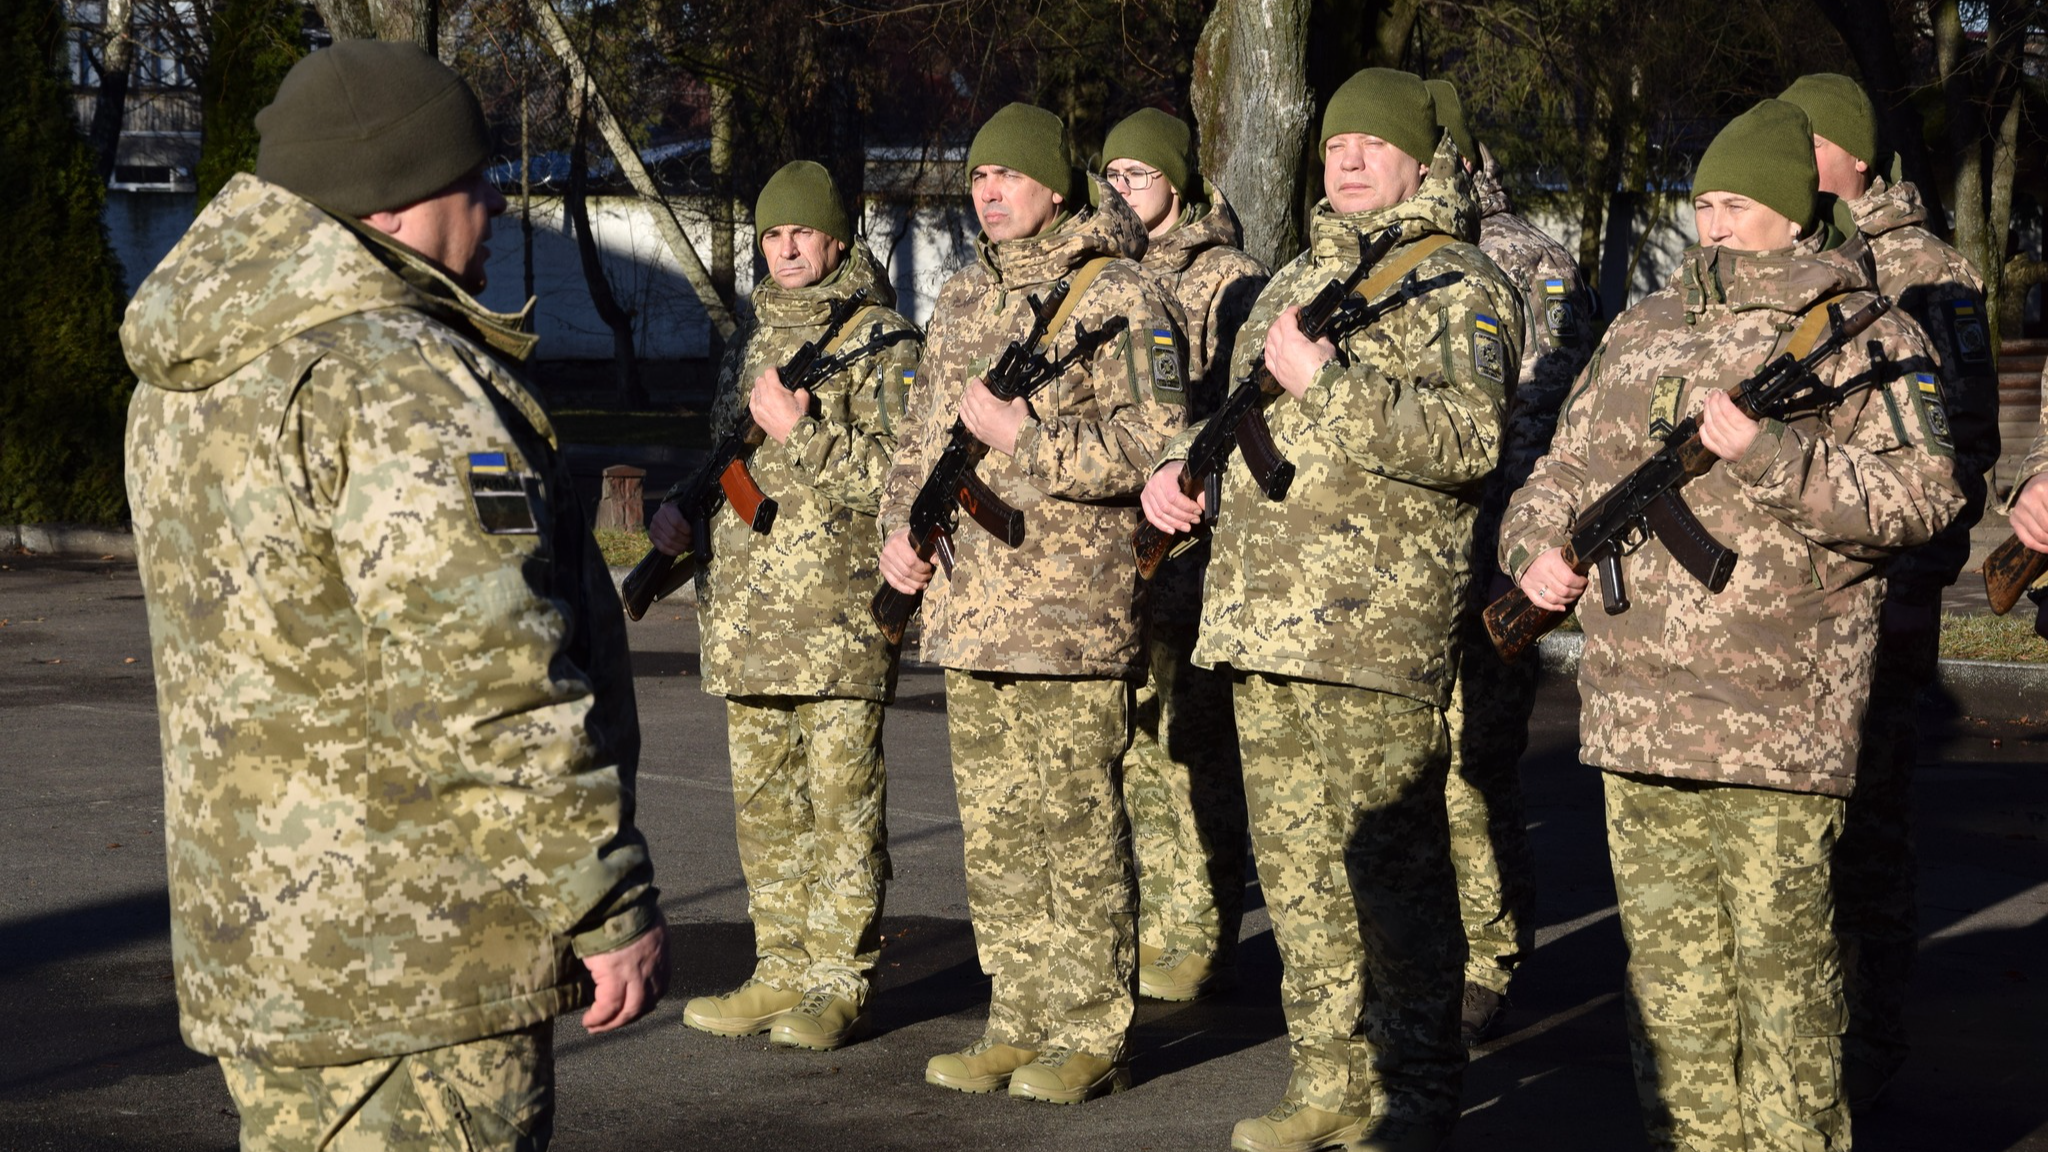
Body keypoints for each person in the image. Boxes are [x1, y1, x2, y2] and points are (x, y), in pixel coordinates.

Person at [120, 40, 667, 1151]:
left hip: (271, 944)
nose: (494, 210)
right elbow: (488, 670)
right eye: (475, 184)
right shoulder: (396, 378)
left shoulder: (198, 368)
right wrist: (601, 898)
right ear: (401, 201)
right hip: (417, 956)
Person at [1500, 99, 1964, 1152]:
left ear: (1792, 214)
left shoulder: (1864, 332)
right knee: (1668, 982)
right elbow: (1565, 465)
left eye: (1737, 204)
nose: (1711, 225)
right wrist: (1530, 547)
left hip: (1776, 714)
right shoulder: (1641, 324)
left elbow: (1926, 497)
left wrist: (1769, 456)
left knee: (1781, 974)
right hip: (1637, 707)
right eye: (1702, 202)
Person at [1142, 68, 1523, 1152]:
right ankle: (1326, 1085)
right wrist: (1179, 468)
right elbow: (1225, 415)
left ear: (1418, 158)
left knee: (1394, 886)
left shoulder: (1462, 284)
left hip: (1371, 628)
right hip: (1261, 624)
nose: (1346, 160)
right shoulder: (1293, 281)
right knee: (1303, 885)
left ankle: (1410, 1097)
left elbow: (1468, 443)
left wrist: (1329, 385)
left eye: (1370, 144)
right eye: (1333, 146)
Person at [878, 102, 1186, 1105]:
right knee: (998, 831)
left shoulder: (1123, 293)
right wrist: (898, 528)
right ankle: (1016, 1016)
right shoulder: (966, 293)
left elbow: (1157, 443)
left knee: (1075, 824)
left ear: (1056, 185)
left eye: (1007, 176)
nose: (988, 191)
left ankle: (1090, 1028)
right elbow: (921, 435)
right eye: (976, 178)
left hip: (1068, 610)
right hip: (970, 606)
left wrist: (1027, 441)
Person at [651, 162, 921, 1051]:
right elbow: (729, 461)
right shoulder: (750, 332)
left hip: (837, 618)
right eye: (772, 235)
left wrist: (801, 430)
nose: (787, 247)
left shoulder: (883, 339)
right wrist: (682, 512)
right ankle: (779, 967)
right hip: (746, 619)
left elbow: (899, 480)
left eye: (803, 232)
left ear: (838, 238)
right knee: (764, 809)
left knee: (841, 809)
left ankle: (839, 979)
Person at [1779, 72, 2001, 1106]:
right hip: (1781, 603)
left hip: (1884, 597)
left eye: (1804, 139)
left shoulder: (1927, 272)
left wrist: (1915, 587)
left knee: (1866, 825)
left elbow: (1955, 453)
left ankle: (1866, 1039)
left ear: (1853, 155)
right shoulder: (1782, 257)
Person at [1425, 78, 1597, 1046]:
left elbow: (1553, 423)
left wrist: (1516, 559)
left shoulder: (1531, 264)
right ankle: (1426, 945)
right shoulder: (1393, 258)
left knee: (1474, 768)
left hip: (1493, 556)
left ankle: (1485, 957)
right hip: (1406, 561)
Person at [1099, 107, 1269, 1004]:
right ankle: (1157, 920)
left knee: (1193, 747)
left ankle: (1201, 930)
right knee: (1133, 746)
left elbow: (1245, 403)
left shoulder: (1229, 278)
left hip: (1194, 540)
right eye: (1111, 176)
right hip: (1113, 548)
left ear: (1179, 180)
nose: (1120, 189)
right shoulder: (1107, 276)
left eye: (1138, 174)